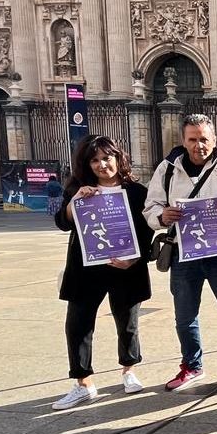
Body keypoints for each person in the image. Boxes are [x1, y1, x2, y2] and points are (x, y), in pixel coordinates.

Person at [143, 114, 217, 391]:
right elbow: (150, 208)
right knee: (185, 315)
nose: (199, 145)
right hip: (184, 254)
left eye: (204, 139)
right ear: (183, 140)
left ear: (214, 140)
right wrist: (162, 215)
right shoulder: (167, 170)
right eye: (193, 139)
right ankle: (192, 366)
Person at [52, 135, 154, 409]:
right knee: (78, 325)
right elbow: (62, 222)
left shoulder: (136, 192)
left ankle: (129, 370)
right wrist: (75, 202)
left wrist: (135, 259)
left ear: (118, 158)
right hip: (85, 268)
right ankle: (83, 381)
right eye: (94, 160)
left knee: (128, 324)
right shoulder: (78, 188)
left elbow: (147, 234)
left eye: (106, 158)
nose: (101, 165)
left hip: (125, 268)